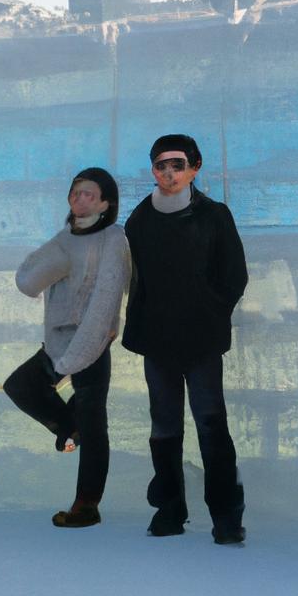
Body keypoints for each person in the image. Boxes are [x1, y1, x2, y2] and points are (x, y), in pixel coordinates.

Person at [123, 134, 249, 545]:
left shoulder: (215, 216)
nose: (169, 172)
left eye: (177, 164)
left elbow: (234, 276)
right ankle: (169, 509)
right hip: (156, 340)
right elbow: (137, 281)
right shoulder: (139, 221)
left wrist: (209, 313)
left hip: (201, 340)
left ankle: (226, 517)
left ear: (195, 167)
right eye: (161, 165)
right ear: (152, 170)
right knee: (163, 427)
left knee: (211, 424)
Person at [3, 168, 130, 528]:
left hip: (91, 342)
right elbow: (28, 282)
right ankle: (68, 428)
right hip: (58, 343)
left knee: (94, 426)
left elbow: (106, 300)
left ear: (106, 203)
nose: (80, 198)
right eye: (76, 192)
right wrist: (61, 253)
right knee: (21, 386)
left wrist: (80, 354)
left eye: (90, 194)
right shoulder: (64, 238)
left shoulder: (113, 239)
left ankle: (86, 505)